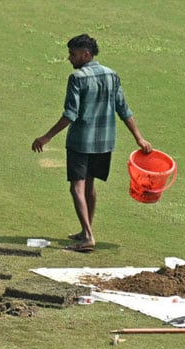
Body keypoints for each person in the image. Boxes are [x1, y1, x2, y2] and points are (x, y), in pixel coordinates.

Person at [31, 34, 152, 252]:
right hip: (104, 143)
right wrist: (139, 138)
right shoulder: (111, 75)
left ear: (86, 54)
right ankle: (86, 230)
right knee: (90, 185)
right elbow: (123, 109)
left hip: (80, 142)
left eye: (73, 54)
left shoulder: (77, 78)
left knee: (77, 187)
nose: (70, 58)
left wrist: (46, 137)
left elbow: (70, 114)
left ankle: (87, 236)